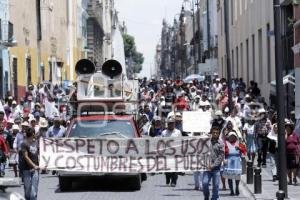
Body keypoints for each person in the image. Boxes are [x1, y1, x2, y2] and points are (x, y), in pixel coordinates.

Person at [202, 126, 224, 200]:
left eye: (216, 133)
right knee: (204, 183)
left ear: (218, 134)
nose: (215, 134)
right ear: (211, 133)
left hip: (216, 169)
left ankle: (214, 198)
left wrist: (213, 165)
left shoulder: (221, 143)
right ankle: (206, 196)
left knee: (216, 185)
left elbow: (221, 157)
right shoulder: (207, 141)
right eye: (213, 132)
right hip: (207, 168)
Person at [223, 131, 246, 196]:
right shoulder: (226, 143)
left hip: (237, 161)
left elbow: (244, 151)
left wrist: (240, 148)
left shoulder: (239, 143)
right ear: (228, 137)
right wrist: (223, 159)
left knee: (237, 176)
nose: (232, 137)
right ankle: (231, 190)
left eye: (233, 136)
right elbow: (222, 152)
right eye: (231, 136)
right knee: (230, 177)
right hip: (229, 160)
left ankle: (237, 187)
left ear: (235, 137)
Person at [19, 128, 39, 200]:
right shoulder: (24, 144)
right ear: (33, 134)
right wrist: (34, 165)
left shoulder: (36, 143)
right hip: (26, 169)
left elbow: (40, 154)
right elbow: (25, 157)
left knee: (34, 191)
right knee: (27, 190)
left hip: (35, 170)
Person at [162, 117, 181, 187]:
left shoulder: (178, 132)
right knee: (167, 168)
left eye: (172, 123)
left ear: (174, 124)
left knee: (175, 168)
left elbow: (181, 142)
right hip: (167, 153)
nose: (171, 125)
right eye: (169, 123)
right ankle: (168, 177)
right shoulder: (164, 133)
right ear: (167, 124)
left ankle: (174, 181)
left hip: (175, 153)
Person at [285, 119, 299, 185]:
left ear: (291, 128)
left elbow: (298, 143)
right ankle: (290, 179)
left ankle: (294, 178)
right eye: (286, 127)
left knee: (295, 167)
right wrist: (285, 134)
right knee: (288, 168)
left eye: (288, 127)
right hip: (287, 154)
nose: (287, 128)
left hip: (295, 153)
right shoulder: (285, 135)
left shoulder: (295, 135)